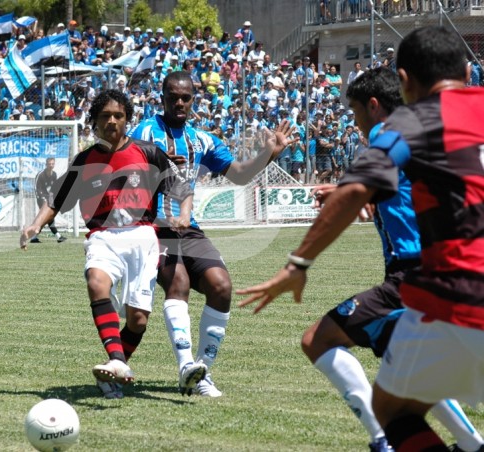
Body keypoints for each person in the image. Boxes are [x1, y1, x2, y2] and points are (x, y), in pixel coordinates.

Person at [237, 26, 484, 449]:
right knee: (407, 380)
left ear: (404, 81)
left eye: (355, 115)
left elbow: (361, 187)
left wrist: (297, 265)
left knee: (339, 358)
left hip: (436, 281)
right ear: (466, 70)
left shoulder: (410, 121)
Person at [300, 67, 484, 452]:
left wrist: (299, 260)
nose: (355, 123)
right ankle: (470, 445)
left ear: (373, 106)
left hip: (412, 274)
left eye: (355, 113)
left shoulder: (387, 134)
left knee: (317, 339)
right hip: (441, 270)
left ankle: (383, 439)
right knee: (407, 366)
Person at [129, 71, 293, 397]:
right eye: (172, 96)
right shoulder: (144, 132)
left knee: (222, 286)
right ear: (161, 98)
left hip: (188, 229)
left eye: (185, 97)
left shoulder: (203, 139)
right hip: (152, 227)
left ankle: (201, 372)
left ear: (194, 99)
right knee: (179, 284)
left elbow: (240, 175)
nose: (179, 102)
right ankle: (185, 364)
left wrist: (267, 154)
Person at [21, 90, 193, 399]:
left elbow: (181, 187)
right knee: (96, 282)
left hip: (142, 236)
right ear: (95, 122)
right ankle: (115, 359)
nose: (112, 121)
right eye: (105, 116)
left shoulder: (148, 152)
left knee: (138, 320)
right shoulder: (85, 160)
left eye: (118, 115)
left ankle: (115, 368)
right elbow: (57, 201)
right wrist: (35, 224)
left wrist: (184, 215)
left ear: (127, 120)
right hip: (102, 236)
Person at [20, 157, 66, 245]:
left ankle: (33, 237)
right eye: (49, 164)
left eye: (52, 164)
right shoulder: (40, 174)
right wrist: (41, 198)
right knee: (48, 217)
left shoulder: (54, 174)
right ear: (46, 164)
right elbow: (36, 188)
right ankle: (58, 236)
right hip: (41, 199)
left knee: (45, 218)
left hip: (49, 199)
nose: (51, 166)